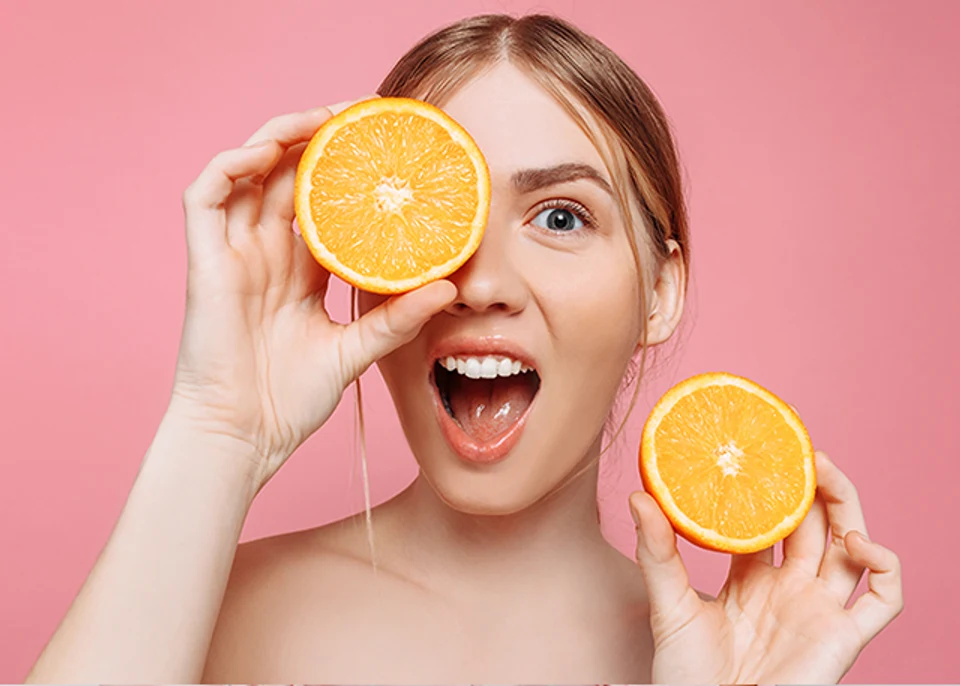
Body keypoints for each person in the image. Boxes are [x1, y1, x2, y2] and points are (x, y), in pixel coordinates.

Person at [26, 13, 903, 684]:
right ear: (367, 266)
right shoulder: (211, 616)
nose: (482, 283)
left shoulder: (726, 659)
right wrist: (217, 429)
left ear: (660, 292)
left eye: (561, 217)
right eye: (440, 223)